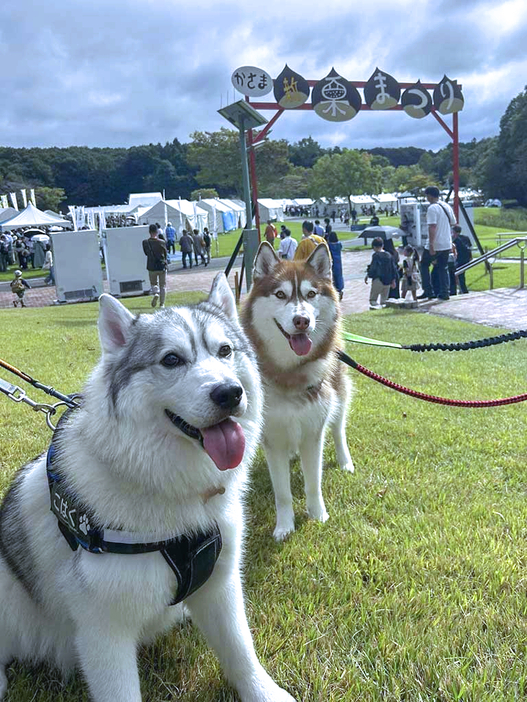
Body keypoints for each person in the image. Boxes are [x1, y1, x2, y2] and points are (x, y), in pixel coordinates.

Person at [418, 186, 456, 301]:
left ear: (430, 195)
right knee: (443, 267)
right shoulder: (446, 206)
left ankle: (428, 290)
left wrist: (431, 244)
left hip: (436, 242)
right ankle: (445, 292)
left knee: (424, 265)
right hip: (446, 242)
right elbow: (453, 222)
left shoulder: (432, 208)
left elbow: (432, 227)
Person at [364, 237, 398, 309]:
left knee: (373, 300)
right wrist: (393, 280)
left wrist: (368, 275)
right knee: (384, 301)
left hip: (378, 280)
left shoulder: (376, 255)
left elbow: (373, 268)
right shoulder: (389, 255)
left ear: (374, 247)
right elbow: (393, 268)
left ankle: (375, 311)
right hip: (388, 281)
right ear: (382, 245)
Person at [142, 223, 167, 308]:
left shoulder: (145, 242)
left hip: (151, 266)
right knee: (163, 285)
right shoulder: (162, 242)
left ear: (149, 232)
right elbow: (165, 254)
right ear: (157, 232)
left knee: (153, 283)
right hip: (161, 265)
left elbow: (146, 253)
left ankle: (156, 292)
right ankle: (162, 304)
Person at [452, 225, 472, 294]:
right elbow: (469, 248)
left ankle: (463, 290)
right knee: (461, 275)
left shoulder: (455, 240)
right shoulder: (466, 238)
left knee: (458, 275)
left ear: (455, 232)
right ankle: (462, 289)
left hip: (459, 259)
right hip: (466, 259)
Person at [327, 231, 344, 300]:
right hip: (338, 262)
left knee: (333, 277)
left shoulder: (329, 245)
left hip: (332, 262)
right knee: (339, 276)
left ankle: (335, 291)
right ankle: (340, 289)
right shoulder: (339, 244)